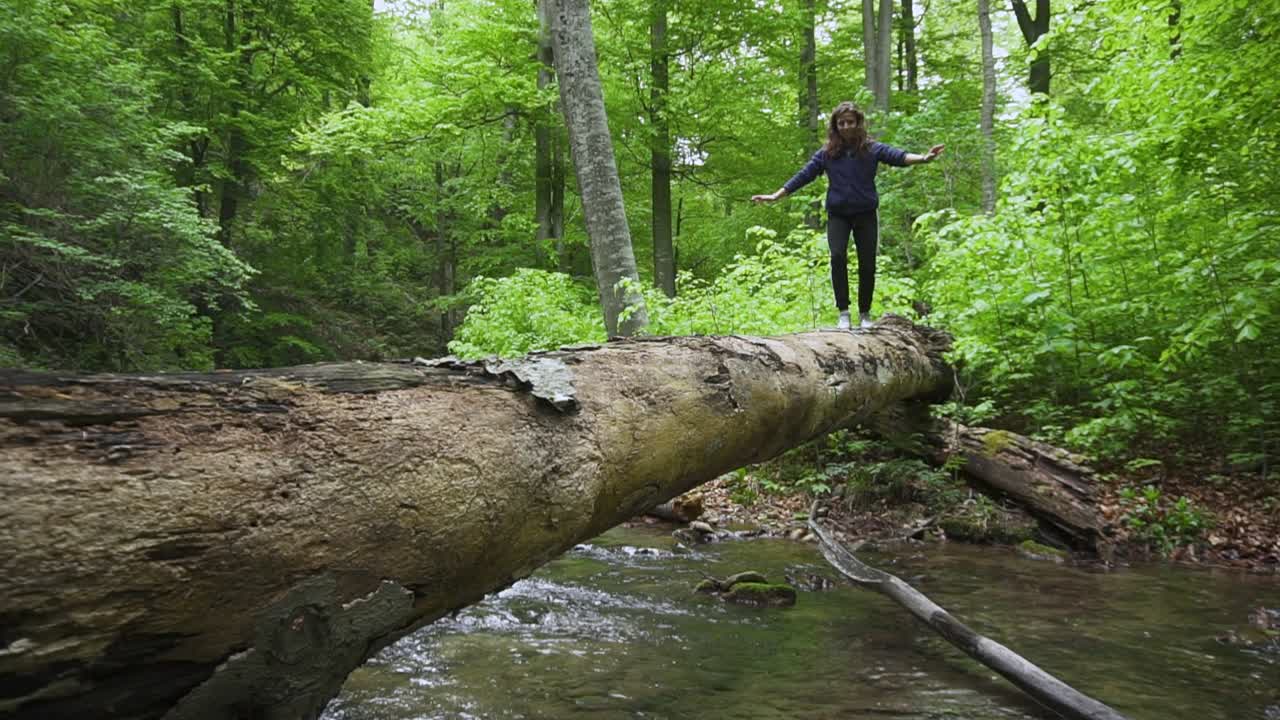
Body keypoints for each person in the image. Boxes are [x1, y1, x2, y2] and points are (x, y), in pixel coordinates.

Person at [752, 102, 943, 330]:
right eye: (841, 123)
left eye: (850, 122)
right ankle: (843, 312)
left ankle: (864, 314)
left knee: (868, 264)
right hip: (838, 215)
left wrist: (923, 158)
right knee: (837, 256)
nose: (845, 127)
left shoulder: (872, 149)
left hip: (865, 214)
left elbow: (897, 156)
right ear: (835, 126)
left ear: (858, 123)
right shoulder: (827, 153)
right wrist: (776, 195)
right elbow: (804, 175)